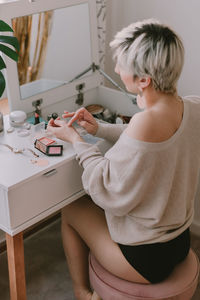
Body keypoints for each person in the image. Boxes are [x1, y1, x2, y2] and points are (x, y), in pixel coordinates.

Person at [47, 18, 200, 300]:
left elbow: (106, 187)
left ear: (144, 80)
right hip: (178, 240)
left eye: (121, 65)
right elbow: (151, 143)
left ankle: (82, 292)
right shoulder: (192, 106)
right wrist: (100, 129)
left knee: (70, 209)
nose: (116, 69)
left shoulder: (145, 123)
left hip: (144, 258)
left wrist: (76, 140)